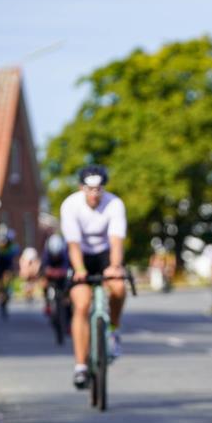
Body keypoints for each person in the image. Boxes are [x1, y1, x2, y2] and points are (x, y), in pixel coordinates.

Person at [59, 165, 128, 389]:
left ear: (103, 189)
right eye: (89, 189)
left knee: (118, 287)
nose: (94, 194)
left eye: (98, 189)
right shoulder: (70, 205)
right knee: (82, 302)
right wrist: (79, 270)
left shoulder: (115, 204)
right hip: (81, 256)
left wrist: (115, 266)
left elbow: (116, 241)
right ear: (82, 188)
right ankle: (80, 366)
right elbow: (73, 244)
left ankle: (113, 331)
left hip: (106, 254)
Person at [41, 233, 70, 317]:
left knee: (69, 282)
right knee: (44, 281)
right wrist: (51, 272)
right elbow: (44, 267)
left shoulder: (64, 253)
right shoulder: (46, 253)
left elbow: (66, 267)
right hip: (52, 274)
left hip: (62, 275)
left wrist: (60, 272)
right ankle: (47, 301)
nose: (55, 257)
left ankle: (67, 298)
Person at [0, 225, 20, 309]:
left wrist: (16, 266)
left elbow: (15, 256)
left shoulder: (11, 245)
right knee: (0, 282)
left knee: (8, 277)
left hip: (8, 263)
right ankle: (1, 294)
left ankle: (7, 290)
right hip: (0, 263)